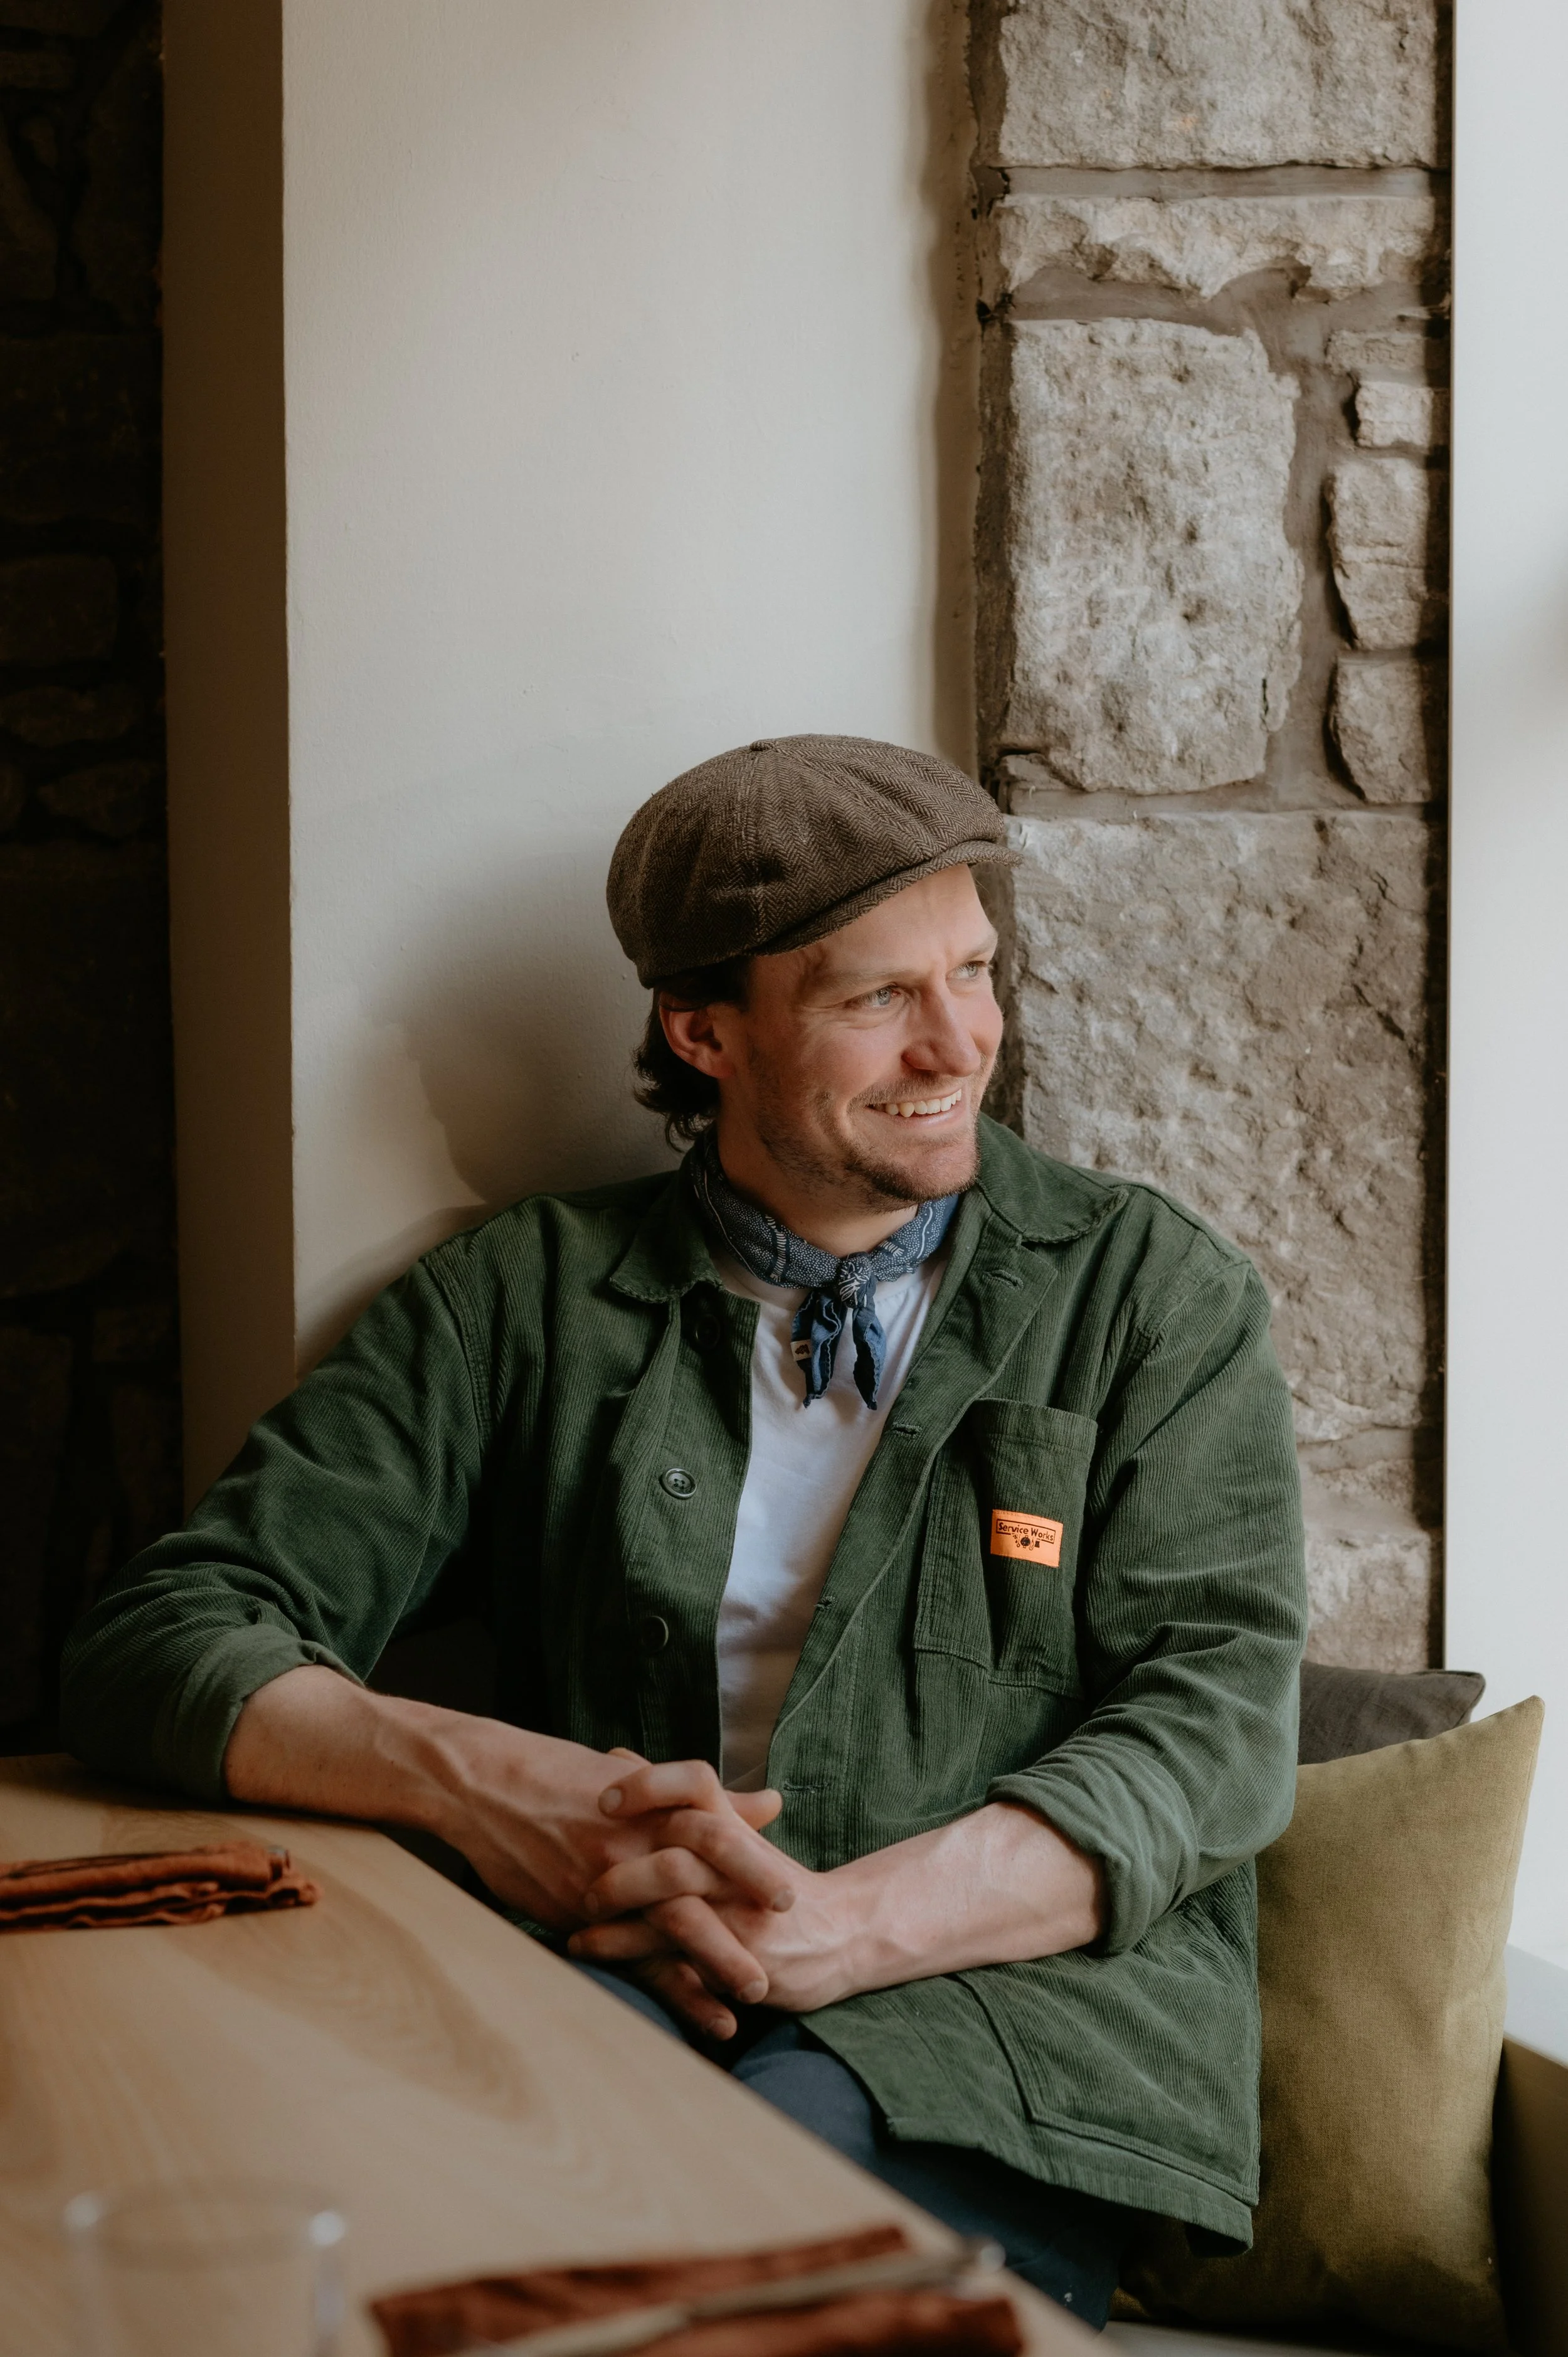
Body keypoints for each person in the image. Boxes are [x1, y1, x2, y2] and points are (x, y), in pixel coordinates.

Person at [61, 736, 1307, 2327]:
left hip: (1006, 2045)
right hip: (612, 1988)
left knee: (710, 2242)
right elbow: (164, 1639)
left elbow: (1215, 1729)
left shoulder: (1150, 1297)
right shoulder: (515, 1301)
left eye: (975, 970)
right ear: (701, 1029)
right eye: (877, 998)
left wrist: (831, 1930)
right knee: (368, 2206)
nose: (960, 1043)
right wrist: (513, 1793)